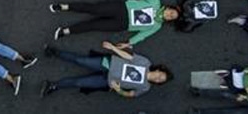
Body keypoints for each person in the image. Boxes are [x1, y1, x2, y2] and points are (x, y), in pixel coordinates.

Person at [49, 0, 179, 44]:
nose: (169, 15)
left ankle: (66, 31)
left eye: (171, 17)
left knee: (94, 25)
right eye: (171, 12)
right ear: (169, 8)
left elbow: (142, 35)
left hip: (122, 25)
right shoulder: (155, 2)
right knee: (93, 9)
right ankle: (64, 6)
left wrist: (129, 43)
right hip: (121, 8)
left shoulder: (157, 25)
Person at [41, 41, 173, 97]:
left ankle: (54, 86)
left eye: (160, 80)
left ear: (157, 83)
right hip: (108, 64)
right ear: (158, 70)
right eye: (160, 75)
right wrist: (113, 48)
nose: (158, 77)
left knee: (79, 83)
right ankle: (55, 52)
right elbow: (129, 56)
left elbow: (131, 95)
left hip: (108, 81)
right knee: (80, 60)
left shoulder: (145, 87)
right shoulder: (146, 63)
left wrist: (118, 90)